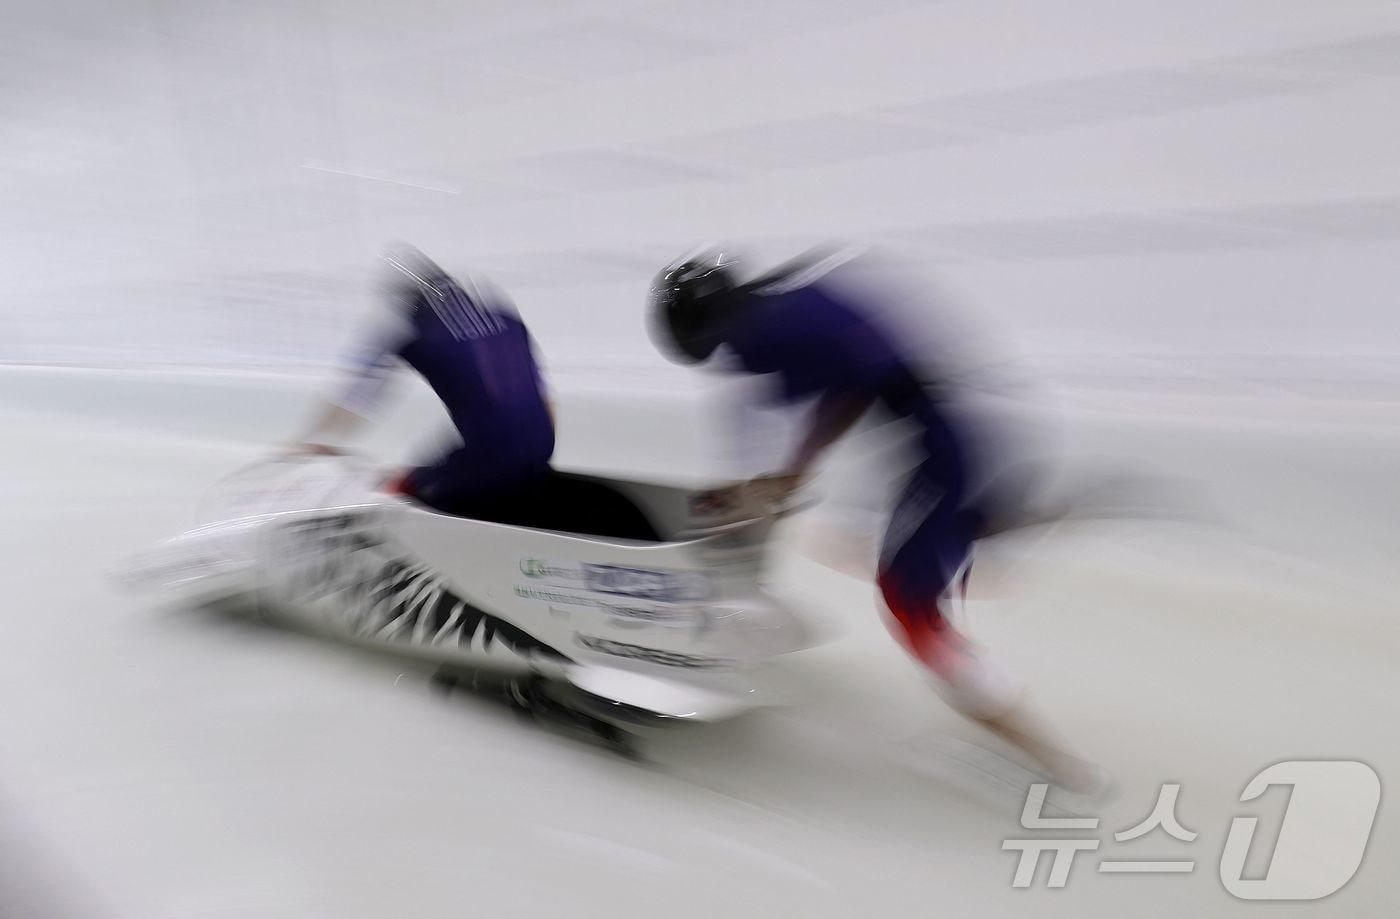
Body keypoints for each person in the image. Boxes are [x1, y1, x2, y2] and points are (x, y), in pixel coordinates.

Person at [647, 245, 1099, 791]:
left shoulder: (762, 334)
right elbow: (854, 378)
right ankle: (1017, 517)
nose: (725, 358)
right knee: (938, 535)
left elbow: (842, 388)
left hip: (949, 447)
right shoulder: (781, 302)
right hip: (971, 423)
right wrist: (788, 474)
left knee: (909, 607)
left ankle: (1059, 765)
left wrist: (776, 479)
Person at [289, 246, 556, 516]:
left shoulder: (412, 333)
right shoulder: (507, 319)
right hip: (543, 446)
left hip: (492, 458)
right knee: (458, 464)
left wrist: (313, 440)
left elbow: (355, 399)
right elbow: (545, 400)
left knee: (402, 485)